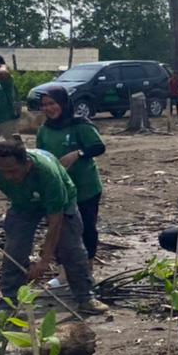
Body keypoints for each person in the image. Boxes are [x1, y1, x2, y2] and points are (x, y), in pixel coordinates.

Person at [0, 136, 102, 311]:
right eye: (2, 172)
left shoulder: (48, 174)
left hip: (61, 203)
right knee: (14, 249)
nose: (7, 176)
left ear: (27, 164)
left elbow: (56, 222)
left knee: (71, 247)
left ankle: (85, 297)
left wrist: (44, 261)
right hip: (23, 203)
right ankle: (8, 302)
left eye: (12, 171)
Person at [34, 86, 105, 285]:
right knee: (58, 228)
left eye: (53, 103)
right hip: (59, 190)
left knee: (87, 229)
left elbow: (98, 147)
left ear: (64, 104)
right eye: (45, 105)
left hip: (85, 188)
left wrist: (78, 153)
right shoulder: (44, 130)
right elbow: (41, 157)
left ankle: (87, 269)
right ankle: (63, 272)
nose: (49, 108)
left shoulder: (80, 125)